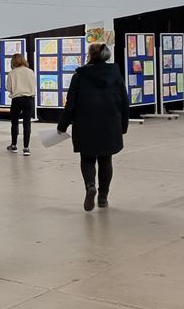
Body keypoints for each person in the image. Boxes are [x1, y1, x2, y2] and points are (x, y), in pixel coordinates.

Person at [56, 42, 130, 212]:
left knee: (87, 158)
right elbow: (124, 102)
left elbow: (70, 104)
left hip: (85, 123)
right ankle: (103, 197)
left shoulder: (79, 76)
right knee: (106, 159)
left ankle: (90, 186)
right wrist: (123, 126)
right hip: (110, 123)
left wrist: (62, 125)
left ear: (90, 55)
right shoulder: (115, 75)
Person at [6, 53, 35, 156]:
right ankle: (26, 148)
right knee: (27, 123)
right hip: (28, 99)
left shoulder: (12, 73)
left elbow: (9, 88)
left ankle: (14, 145)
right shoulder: (30, 71)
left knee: (14, 123)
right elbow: (33, 86)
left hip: (16, 100)